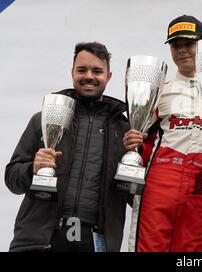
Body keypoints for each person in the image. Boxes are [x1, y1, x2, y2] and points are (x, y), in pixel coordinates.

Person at [5, 42, 130, 252]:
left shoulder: (126, 130)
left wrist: (140, 165)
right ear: (72, 72)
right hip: (38, 241)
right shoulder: (43, 119)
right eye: (82, 70)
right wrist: (31, 169)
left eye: (97, 71)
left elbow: (135, 198)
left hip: (96, 243)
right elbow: (12, 180)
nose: (89, 76)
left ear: (109, 76)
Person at [125, 15, 202, 252]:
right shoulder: (159, 92)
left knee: (192, 250)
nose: (182, 50)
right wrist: (131, 143)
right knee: (149, 246)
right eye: (176, 45)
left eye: (190, 44)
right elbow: (140, 137)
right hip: (163, 175)